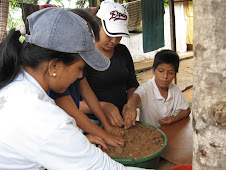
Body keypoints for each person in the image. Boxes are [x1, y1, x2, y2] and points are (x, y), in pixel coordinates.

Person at [0, 7, 144, 169]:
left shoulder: (14, 81)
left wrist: (72, 145)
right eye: (79, 68)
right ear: (54, 66)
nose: (79, 76)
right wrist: (70, 143)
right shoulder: (48, 121)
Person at [48, 8, 125, 147]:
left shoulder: (68, 66)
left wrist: (106, 125)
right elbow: (75, 113)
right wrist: (105, 135)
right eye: (79, 69)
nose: (80, 75)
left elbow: (87, 92)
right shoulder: (54, 82)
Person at [81, 1, 139, 127]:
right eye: (110, 34)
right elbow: (73, 103)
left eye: (119, 35)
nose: (114, 41)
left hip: (120, 119)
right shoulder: (82, 57)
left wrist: (130, 105)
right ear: (96, 26)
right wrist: (103, 107)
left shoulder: (122, 51)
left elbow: (132, 84)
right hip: (93, 122)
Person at [123, 49, 191, 129]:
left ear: (175, 75)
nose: (165, 76)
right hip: (149, 134)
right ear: (153, 71)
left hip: (168, 132)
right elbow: (136, 96)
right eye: (161, 71)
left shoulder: (174, 89)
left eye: (170, 73)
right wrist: (131, 107)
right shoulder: (146, 88)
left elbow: (186, 110)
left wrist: (174, 119)